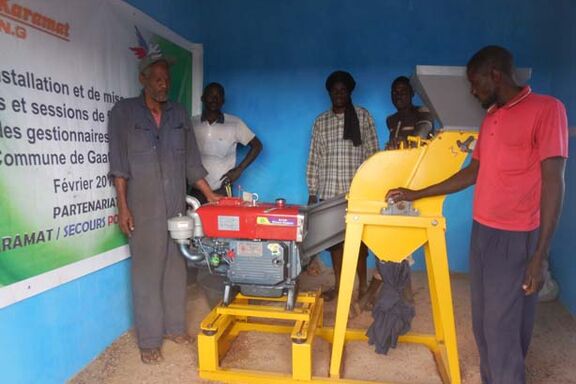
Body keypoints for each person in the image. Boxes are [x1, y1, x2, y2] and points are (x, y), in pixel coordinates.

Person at [387, 46, 568, 383]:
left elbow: (554, 183)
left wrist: (540, 256)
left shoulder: (547, 110)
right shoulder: (492, 117)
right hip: (482, 232)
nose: (472, 91)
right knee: (483, 326)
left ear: (494, 75)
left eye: (475, 83)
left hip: (516, 237)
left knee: (503, 329)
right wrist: (417, 193)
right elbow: (473, 172)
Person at [108, 53, 220, 364]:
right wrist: (123, 207)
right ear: (142, 79)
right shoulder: (124, 112)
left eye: (167, 79)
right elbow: (119, 165)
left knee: (175, 268)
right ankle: (149, 340)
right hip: (142, 207)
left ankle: (174, 328)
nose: (163, 83)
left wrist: (210, 194)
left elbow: (191, 162)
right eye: (157, 78)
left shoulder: (179, 114)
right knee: (146, 273)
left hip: (175, 206)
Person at [306, 70, 380, 302]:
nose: (339, 94)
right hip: (329, 194)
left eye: (343, 90)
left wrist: (372, 189)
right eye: (334, 90)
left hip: (357, 193)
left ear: (349, 92)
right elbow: (314, 157)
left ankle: (363, 288)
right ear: (329, 93)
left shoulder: (363, 116)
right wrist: (312, 192)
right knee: (335, 244)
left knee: (359, 243)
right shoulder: (321, 122)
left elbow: (373, 155)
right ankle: (339, 288)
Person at [189, 82, 263, 202]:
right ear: (202, 98)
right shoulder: (192, 123)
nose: (214, 99)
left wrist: (239, 170)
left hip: (222, 189)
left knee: (222, 221)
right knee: (193, 221)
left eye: (218, 96)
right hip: (196, 190)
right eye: (210, 95)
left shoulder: (235, 123)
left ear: (223, 100)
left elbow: (257, 146)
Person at [385, 76, 434, 149]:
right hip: (398, 160)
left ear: (412, 93)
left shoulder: (423, 112)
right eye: (395, 92)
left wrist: (405, 145)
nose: (398, 96)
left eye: (403, 92)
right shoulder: (391, 120)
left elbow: (418, 141)